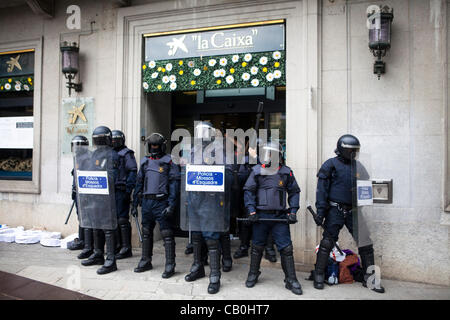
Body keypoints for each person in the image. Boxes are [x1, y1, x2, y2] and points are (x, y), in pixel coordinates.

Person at [312, 134, 385, 293]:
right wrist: (321, 212)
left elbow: (365, 188)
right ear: (343, 150)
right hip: (335, 210)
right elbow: (321, 191)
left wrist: (364, 202)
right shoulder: (330, 165)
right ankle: (318, 274)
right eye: (351, 150)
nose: (354, 153)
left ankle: (370, 278)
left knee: (366, 243)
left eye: (356, 150)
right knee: (327, 243)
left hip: (353, 211)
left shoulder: (359, 166)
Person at [243, 141, 302, 295]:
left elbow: (294, 191)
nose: (267, 157)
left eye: (270, 154)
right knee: (257, 248)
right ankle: (253, 274)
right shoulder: (256, 171)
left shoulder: (286, 172)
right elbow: (248, 191)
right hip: (261, 217)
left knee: (286, 249)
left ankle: (291, 279)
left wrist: (293, 211)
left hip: (279, 217)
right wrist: (251, 211)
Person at [183, 121, 229, 294]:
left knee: (211, 237)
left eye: (204, 131)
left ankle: (215, 275)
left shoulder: (218, 150)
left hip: (210, 199)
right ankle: (197, 266)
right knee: (195, 235)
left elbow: (227, 171)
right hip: (194, 198)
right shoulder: (194, 151)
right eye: (198, 131)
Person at [132, 133, 180, 279]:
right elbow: (139, 183)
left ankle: (170, 264)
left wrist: (172, 204)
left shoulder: (169, 161)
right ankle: (146, 260)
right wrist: (134, 204)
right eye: (152, 145)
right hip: (147, 202)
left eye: (156, 146)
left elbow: (174, 185)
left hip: (162, 202)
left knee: (167, 234)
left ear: (162, 146)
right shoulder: (145, 162)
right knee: (146, 232)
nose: (154, 148)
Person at [80, 126, 119, 275]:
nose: (97, 142)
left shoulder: (112, 155)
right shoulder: (94, 154)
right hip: (94, 195)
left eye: (99, 139)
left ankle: (110, 260)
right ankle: (97, 254)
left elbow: (112, 177)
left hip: (107, 197)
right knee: (96, 226)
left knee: (107, 228)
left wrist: (98, 176)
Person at [111, 130, 137, 260]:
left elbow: (132, 171)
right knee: (113, 220)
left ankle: (126, 248)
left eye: (116, 140)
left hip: (121, 190)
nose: (114, 142)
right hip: (110, 191)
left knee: (122, 219)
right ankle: (117, 246)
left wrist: (128, 190)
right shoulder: (109, 153)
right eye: (112, 140)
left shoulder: (127, 154)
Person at [67, 135, 93, 260]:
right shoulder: (77, 158)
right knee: (81, 217)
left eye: (78, 146)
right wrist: (73, 190)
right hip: (78, 193)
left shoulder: (89, 158)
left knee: (88, 218)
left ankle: (89, 245)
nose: (76, 149)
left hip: (86, 194)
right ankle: (82, 240)